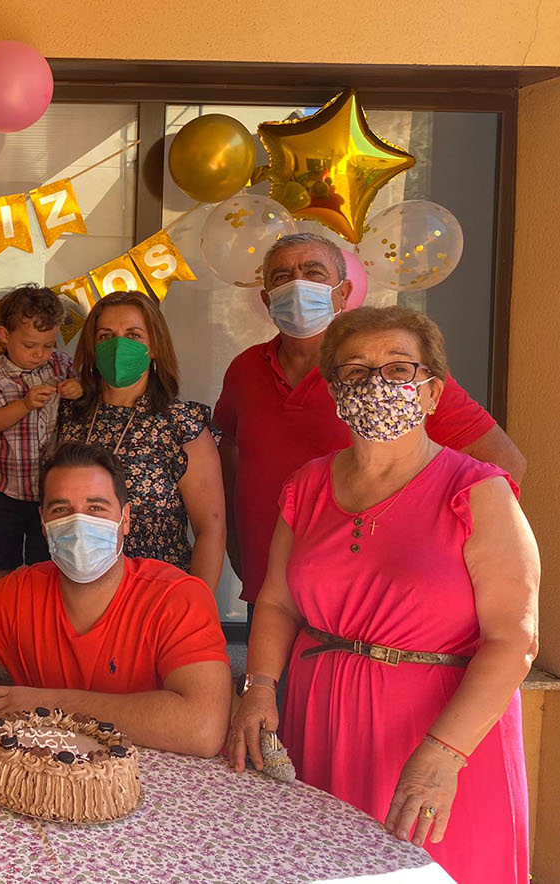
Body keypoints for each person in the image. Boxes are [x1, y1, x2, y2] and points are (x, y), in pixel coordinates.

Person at [227, 306, 538, 884]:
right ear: (334, 390)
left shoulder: (478, 489)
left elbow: (514, 638)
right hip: (320, 717)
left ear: (430, 392)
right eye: (355, 369)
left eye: (399, 368)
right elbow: (275, 602)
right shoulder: (308, 485)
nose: (377, 383)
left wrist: (445, 754)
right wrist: (260, 687)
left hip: (443, 734)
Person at [216, 232, 525, 616]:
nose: (298, 285)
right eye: (282, 277)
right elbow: (229, 454)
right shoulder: (244, 370)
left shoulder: (391, 375)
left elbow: (502, 460)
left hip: (360, 593)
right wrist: (232, 538)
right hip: (270, 589)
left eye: (314, 273)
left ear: (343, 293)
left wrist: (440, 554)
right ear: (265, 299)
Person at [0, 442, 231, 757]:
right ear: (44, 524)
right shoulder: (20, 592)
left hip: (159, 793)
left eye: (96, 508)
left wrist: (46, 704)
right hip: (45, 791)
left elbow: (203, 728)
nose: (79, 523)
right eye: (61, 509)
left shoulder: (177, 597)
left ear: (126, 519)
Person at [55, 290, 225, 588]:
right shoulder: (67, 414)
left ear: (155, 347)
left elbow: (210, 528)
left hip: (156, 595)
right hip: (74, 591)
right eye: (106, 336)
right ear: (92, 348)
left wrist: (200, 614)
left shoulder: (181, 424)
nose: (119, 346)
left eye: (133, 335)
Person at [0, 283, 81, 584]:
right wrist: (24, 404)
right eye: (30, 345)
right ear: (5, 336)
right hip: (6, 490)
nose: (40, 354)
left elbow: (82, 403)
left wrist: (77, 389)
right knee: (0, 563)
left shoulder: (61, 365)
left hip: (50, 491)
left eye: (48, 345)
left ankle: (36, 623)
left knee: (43, 567)